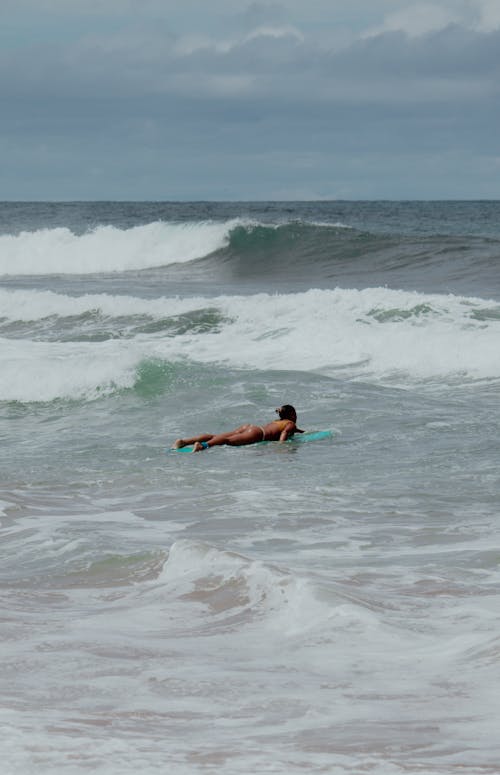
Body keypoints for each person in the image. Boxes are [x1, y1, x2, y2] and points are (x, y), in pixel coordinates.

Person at [173, 405, 303, 452]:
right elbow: (284, 435)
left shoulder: (279, 421)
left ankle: (184, 442)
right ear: (292, 415)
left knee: (219, 436)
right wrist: (282, 447)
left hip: (250, 428)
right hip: (257, 434)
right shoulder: (290, 423)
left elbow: (287, 430)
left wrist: (302, 432)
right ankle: (202, 446)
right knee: (227, 441)